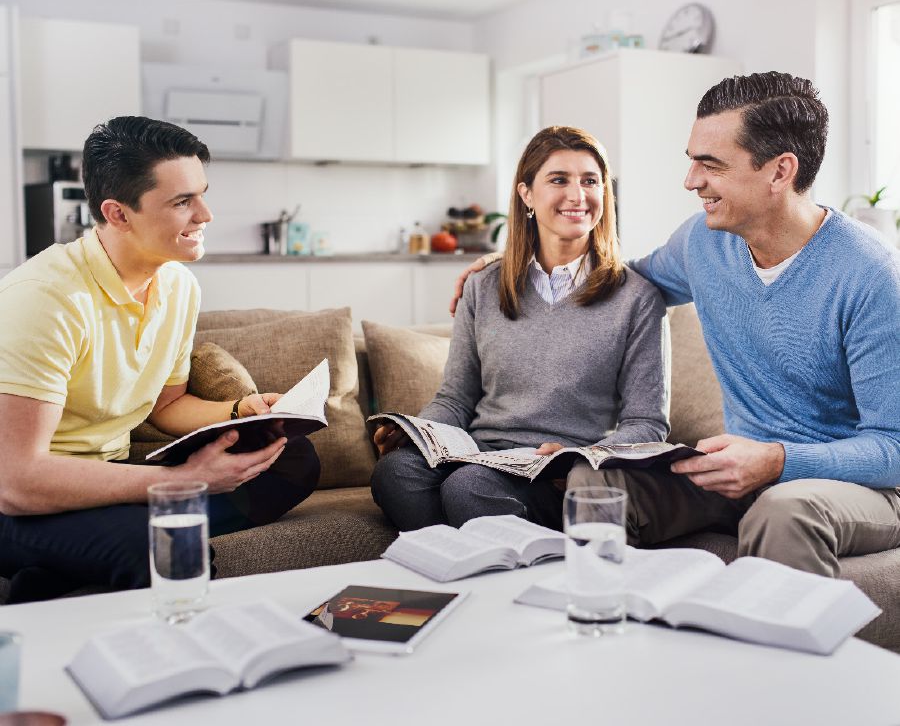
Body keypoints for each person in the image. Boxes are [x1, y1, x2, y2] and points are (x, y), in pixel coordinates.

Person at [451, 72, 900, 577]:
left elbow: (893, 447)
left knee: (785, 510)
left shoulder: (871, 275)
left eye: (710, 165)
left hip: (858, 489)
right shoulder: (704, 243)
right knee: (595, 482)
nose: (691, 180)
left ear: (780, 171)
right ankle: (607, 635)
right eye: (692, 160)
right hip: (739, 476)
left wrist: (777, 460)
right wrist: (508, 262)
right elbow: (615, 283)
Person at [0, 116, 320, 603]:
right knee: (164, 543)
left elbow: (167, 406)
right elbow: (17, 481)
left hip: (104, 476)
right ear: (119, 213)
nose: (206, 215)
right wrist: (183, 481)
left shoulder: (176, 284)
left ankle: (58, 570)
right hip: (23, 501)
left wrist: (244, 411)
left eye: (202, 194)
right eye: (182, 202)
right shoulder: (45, 299)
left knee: (292, 457)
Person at [371, 126, 669, 532]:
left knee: (468, 488)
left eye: (590, 181)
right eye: (559, 180)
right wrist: (421, 433)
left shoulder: (637, 298)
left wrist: (580, 456)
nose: (577, 195)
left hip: (559, 469)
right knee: (396, 474)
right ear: (526, 194)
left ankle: (471, 566)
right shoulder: (483, 284)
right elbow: (455, 398)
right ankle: (464, 565)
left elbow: (647, 423)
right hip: (480, 453)